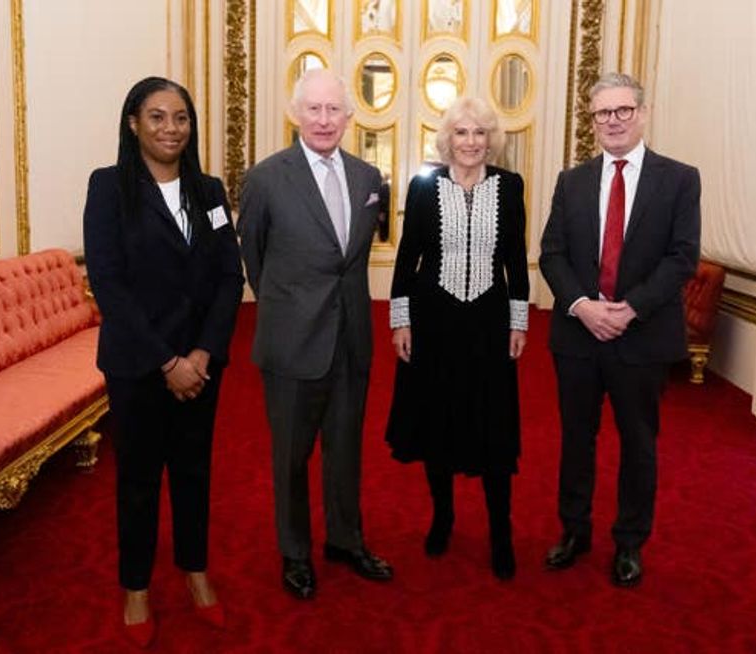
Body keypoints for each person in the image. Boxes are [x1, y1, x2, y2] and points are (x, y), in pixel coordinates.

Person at [83, 76, 244, 646]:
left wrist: (201, 353)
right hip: (138, 364)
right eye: (157, 117)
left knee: (195, 474)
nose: (170, 128)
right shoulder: (108, 188)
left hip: (202, 365)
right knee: (139, 480)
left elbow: (231, 276)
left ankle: (196, 575)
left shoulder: (209, 191)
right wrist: (166, 360)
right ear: (133, 124)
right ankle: (136, 588)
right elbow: (109, 283)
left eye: (180, 118)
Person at [237, 68, 394, 600]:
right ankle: (295, 552)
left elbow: (352, 258)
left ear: (349, 117)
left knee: (346, 448)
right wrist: (291, 307)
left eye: (334, 110)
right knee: (291, 455)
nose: (324, 120)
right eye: (314, 109)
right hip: (292, 341)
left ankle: (346, 540)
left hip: (351, 339)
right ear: (295, 113)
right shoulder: (265, 179)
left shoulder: (368, 177)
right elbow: (253, 259)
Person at [539, 72, 700, 587]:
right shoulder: (573, 181)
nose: (612, 121)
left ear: (642, 113)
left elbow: (682, 258)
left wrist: (629, 309)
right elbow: (552, 254)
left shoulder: (679, 179)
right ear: (593, 121)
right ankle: (574, 531)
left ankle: (630, 543)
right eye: (602, 113)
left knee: (639, 443)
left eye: (622, 110)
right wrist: (584, 306)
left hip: (643, 336)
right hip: (578, 338)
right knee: (576, 440)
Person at [385, 97, 529, 580]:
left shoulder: (510, 187)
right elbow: (407, 260)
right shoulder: (424, 186)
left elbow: (516, 258)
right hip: (434, 321)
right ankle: (443, 516)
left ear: (492, 139)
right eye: (462, 133)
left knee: (492, 425)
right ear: (448, 139)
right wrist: (400, 321)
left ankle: (501, 532)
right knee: (438, 422)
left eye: (480, 133)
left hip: (488, 322)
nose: (471, 142)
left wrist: (519, 322)